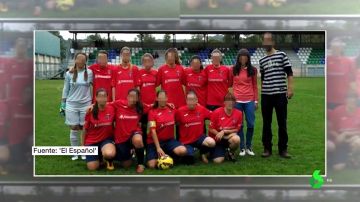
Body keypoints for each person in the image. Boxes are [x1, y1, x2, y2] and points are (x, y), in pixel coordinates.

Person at [259, 32, 294, 158]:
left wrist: (290, 88)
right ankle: (267, 148)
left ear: (273, 42)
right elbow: (262, 78)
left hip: (280, 94)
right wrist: (263, 91)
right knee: (266, 123)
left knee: (282, 122)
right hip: (266, 96)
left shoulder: (281, 55)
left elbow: (289, 73)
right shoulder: (262, 60)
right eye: (265, 40)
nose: (267, 42)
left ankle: (283, 149)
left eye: (269, 40)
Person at [61, 52, 93, 160]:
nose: (81, 61)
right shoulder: (69, 73)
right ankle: (75, 152)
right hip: (71, 104)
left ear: (85, 61)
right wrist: (62, 104)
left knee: (84, 128)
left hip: (85, 104)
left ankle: (83, 151)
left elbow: (94, 85)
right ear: (75, 60)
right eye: (79, 59)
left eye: (83, 59)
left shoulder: (89, 72)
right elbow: (65, 88)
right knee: (74, 127)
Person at [146, 90, 187, 169]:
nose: (162, 100)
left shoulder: (172, 110)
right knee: (151, 165)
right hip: (154, 142)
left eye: (164, 98)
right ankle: (159, 156)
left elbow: (180, 119)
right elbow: (153, 131)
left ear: (167, 98)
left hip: (169, 141)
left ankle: (167, 156)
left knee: (183, 151)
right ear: (157, 99)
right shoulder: (152, 112)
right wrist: (158, 147)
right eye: (160, 98)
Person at [231, 48, 258, 157]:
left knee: (251, 124)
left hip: (249, 100)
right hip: (237, 101)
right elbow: (229, 83)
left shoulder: (253, 70)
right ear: (238, 58)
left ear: (248, 58)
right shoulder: (233, 69)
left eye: (245, 57)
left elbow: (255, 86)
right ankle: (242, 147)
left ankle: (249, 146)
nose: (243, 59)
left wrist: (256, 100)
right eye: (241, 57)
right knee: (240, 125)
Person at [175, 91, 215, 164]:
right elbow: (173, 121)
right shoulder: (180, 111)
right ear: (186, 101)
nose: (191, 102)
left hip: (199, 138)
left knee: (212, 142)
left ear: (196, 100)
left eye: (193, 99)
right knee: (189, 161)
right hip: (186, 141)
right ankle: (188, 153)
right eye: (189, 99)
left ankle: (203, 153)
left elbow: (214, 115)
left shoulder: (201, 109)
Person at [113, 89, 146, 173]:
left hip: (134, 134)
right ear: (127, 97)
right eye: (131, 96)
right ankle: (131, 152)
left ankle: (141, 164)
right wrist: (92, 106)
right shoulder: (119, 104)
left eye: (135, 97)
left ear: (138, 98)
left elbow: (155, 105)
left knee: (138, 140)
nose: (133, 99)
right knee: (126, 164)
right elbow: (104, 104)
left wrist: (167, 103)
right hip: (121, 138)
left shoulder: (140, 107)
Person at [83, 88, 116, 171]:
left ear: (107, 98)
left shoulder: (112, 108)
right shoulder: (90, 111)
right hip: (92, 141)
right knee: (92, 167)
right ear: (96, 98)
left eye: (104, 96)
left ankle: (108, 160)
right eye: (100, 97)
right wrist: (82, 145)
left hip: (106, 140)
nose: (102, 99)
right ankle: (99, 157)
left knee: (109, 154)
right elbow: (84, 130)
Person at [208, 92, 241, 163]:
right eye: (228, 101)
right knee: (218, 161)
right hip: (217, 139)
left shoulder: (239, 113)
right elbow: (210, 128)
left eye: (232, 101)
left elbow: (237, 129)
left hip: (228, 137)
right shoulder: (216, 112)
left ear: (235, 103)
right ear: (224, 102)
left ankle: (231, 153)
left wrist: (224, 132)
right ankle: (218, 151)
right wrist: (219, 135)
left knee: (237, 139)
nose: (230, 103)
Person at [138, 53, 158, 147]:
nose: (147, 62)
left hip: (153, 106)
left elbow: (157, 86)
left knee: (153, 126)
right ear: (142, 62)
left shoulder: (155, 73)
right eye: (145, 61)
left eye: (149, 60)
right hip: (143, 106)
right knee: (143, 126)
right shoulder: (139, 73)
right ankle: (143, 146)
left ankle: (153, 145)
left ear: (152, 62)